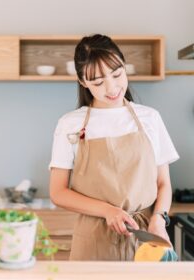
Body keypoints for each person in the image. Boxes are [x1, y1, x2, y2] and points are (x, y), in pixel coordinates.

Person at [49, 34, 179, 261]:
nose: (112, 88)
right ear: (83, 81)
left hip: (146, 238)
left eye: (117, 74)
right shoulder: (70, 124)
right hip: (93, 241)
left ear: (124, 67)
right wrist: (108, 210)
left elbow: (163, 183)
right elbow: (58, 192)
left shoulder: (150, 118)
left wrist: (159, 219)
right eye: (98, 82)